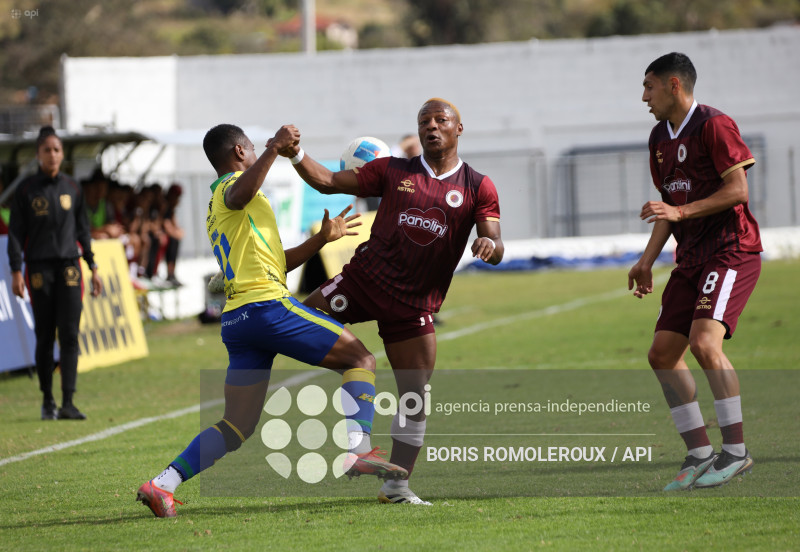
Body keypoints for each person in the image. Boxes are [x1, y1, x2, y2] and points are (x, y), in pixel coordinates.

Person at [136, 124, 407, 518]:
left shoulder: (225, 208)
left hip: (239, 321)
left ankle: (163, 484)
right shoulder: (231, 189)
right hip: (266, 308)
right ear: (239, 152)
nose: (256, 152)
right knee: (361, 359)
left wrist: (321, 239)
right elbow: (239, 192)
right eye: (251, 148)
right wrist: (276, 148)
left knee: (236, 425)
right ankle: (359, 450)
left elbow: (278, 263)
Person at [280, 98, 504, 505]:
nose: (431, 126)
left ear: (458, 128)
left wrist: (489, 245)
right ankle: (262, 384)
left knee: (415, 398)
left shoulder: (477, 186)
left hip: (412, 305)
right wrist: (296, 153)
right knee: (294, 321)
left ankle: (396, 488)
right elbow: (328, 181)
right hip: (363, 284)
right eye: (424, 121)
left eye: (440, 120)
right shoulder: (392, 170)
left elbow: (495, 238)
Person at [628, 53, 761, 490]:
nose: (643, 97)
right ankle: (700, 453)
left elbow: (738, 190)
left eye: (648, 87)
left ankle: (736, 452)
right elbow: (668, 207)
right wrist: (646, 260)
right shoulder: (658, 138)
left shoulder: (713, 125)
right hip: (690, 258)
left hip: (730, 250)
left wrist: (681, 212)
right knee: (662, 355)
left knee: (705, 343)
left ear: (674, 85)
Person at [6, 126, 103, 420]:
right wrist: (16, 270)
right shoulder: (26, 191)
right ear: (38, 154)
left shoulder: (73, 188)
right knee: (45, 335)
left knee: (70, 334)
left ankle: (68, 402)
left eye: (56, 149)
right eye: (47, 150)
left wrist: (93, 266)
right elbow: (15, 234)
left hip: (69, 268)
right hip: (39, 269)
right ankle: (47, 400)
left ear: (62, 155)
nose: (52, 154)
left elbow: (83, 231)